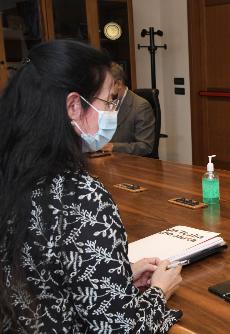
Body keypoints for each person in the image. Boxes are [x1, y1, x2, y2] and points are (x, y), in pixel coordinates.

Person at [0, 40, 182, 332]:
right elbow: (123, 329)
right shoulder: (82, 198)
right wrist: (159, 291)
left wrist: (115, 277)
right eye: (109, 100)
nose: (112, 109)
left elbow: (41, 277)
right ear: (74, 105)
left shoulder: (12, 175)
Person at [101, 62, 155, 156]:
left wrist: (113, 147)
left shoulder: (141, 106)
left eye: (107, 87)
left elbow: (145, 146)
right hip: (105, 159)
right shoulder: (103, 102)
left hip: (129, 163)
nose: (103, 92)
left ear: (119, 84)